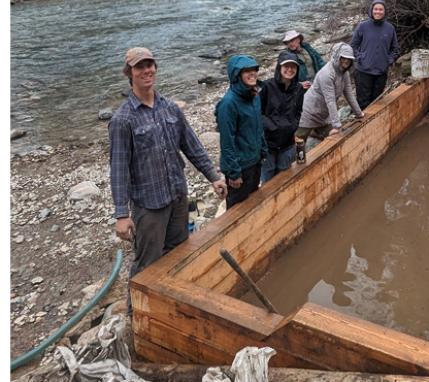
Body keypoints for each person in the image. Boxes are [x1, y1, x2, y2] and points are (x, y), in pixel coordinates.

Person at [109, 47, 227, 309]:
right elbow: (118, 169)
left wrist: (213, 176)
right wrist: (121, 214)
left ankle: (170, 302)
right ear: (129, 73)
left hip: (177, 196)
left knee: (178, 251)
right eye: (140, 67)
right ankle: (136, 311)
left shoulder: (170, 108)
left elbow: (192, 145)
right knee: (147, 262)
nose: (147, 70)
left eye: (150, 65)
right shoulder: (122, 119)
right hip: (149, 205)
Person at [216, 54, 268, 208]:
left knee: (254, 202)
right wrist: (234, 173)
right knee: (238, 210)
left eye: (254, 69)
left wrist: (263, 151)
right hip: (240, 167)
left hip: (255, 161)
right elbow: (227, 142)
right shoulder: (228, 104)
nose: (253, 73)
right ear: (237, 75)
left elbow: (258, 127)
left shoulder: (254, 96)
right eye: (247, 71)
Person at [296, 42, 364, 150]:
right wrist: (337, 125)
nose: (346, 61)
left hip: (323, 115)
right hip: (309, 112)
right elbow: (330, 101)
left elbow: (349, 94)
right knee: (298, 143)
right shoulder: (327, 74)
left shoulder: (344, 74)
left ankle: (316, 131)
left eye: (349, 59)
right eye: (343, 57)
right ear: (337, 56)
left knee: (335, 138)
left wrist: (359, 113)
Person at [259, 51, 305, 183]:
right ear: (279, 67)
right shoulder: (268, 86)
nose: (289, 70)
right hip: (268, 143)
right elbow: (258, 112)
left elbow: (298, 111)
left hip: (287, 143)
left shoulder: (298, 89)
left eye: (293, 67)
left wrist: (293, 125)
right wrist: (272, 126)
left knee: (283, 178)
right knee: (268, 180)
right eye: (286, 66)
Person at [350, 0, 400, 110]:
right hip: (363, 72)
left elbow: (395, 49)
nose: (378, 12)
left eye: (381, 9)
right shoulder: (363, 26)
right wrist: (360, 57)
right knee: (363, 103)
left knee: (377, 102)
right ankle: (362, 124)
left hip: (381, 72)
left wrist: (389, 60)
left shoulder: (390, 28)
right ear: (371, 11)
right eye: (375, 9)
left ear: (384, 11)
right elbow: (353, 46)